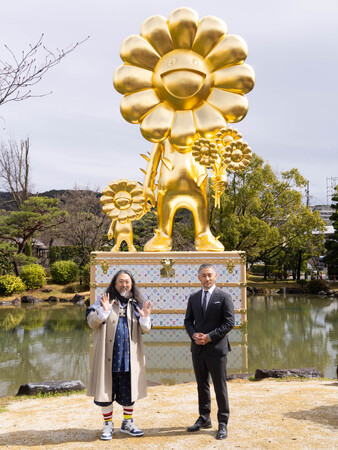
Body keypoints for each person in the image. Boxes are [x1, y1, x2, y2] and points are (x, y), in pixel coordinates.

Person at [86, 269, 152, 440]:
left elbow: (145, 330)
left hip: (129, 357)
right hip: (109, 356)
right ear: (114, 284)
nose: (124, 285)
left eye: (127, 282)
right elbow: (91, 323)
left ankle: (127, 423)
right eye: (121, 281)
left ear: (132, 284)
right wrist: (102, 313)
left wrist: (145, 319)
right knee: (106, 390)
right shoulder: (104, 301)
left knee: (129, 390)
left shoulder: (137, 303)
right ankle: (108, 425)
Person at [184, 263, 234, 440]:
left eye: (210, 275)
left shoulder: (224, 297)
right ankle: (204, 418)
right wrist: (194, 335)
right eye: (203, 275)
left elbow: (229, 323)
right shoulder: (194, 297)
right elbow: (188, 321)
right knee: (202, 385)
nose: (207, 278)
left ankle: (222, 422)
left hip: (217, 349)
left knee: (220, 387)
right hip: (197, 348)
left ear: (215, 276)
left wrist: (209, 337)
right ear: (199, 277)